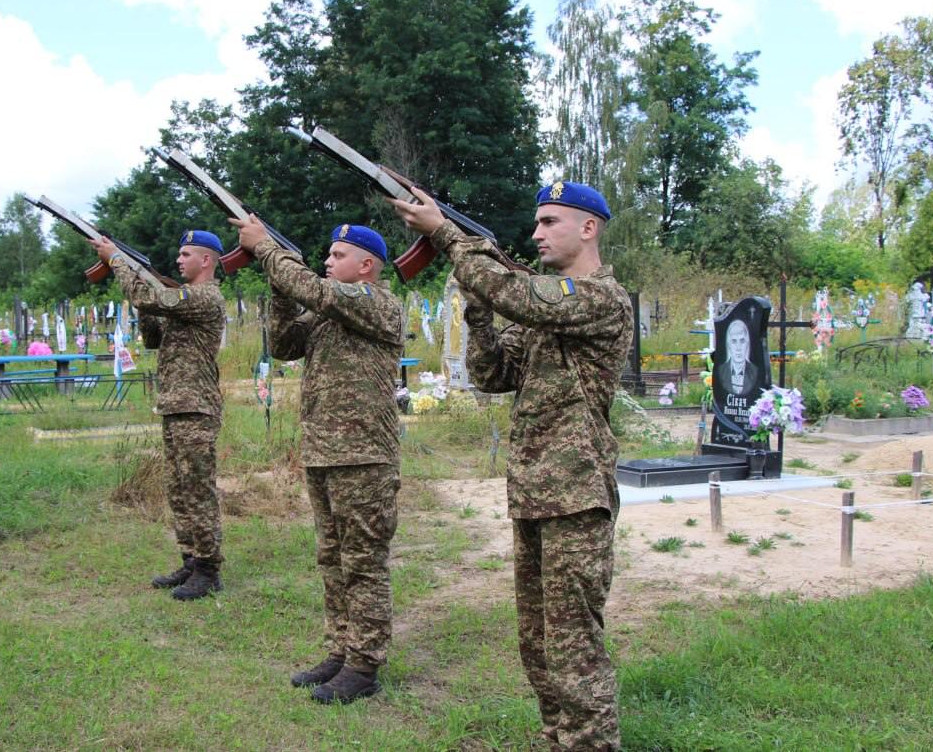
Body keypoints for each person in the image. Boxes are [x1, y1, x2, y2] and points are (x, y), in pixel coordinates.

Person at [391, 181, 632, 750]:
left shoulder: (600, 298)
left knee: (574, 643)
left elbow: (522, 297)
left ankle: (591, 744)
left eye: (550, 222)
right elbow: (496, 375)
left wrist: (449, 236)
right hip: (533, 489)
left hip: (576, 492)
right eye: (536, 223)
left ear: (588, 227)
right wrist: (478, 317)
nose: (537, 233)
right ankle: (557, 738)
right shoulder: (547, 303)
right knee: (539, 640)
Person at [230, 216, 404, 705]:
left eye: (337, 256)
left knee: (363, 562)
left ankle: (364, 664)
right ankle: (341, 649)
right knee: (332, 557)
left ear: (366, 265)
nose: (327, 262)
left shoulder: (376, 303)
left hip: (364, 457)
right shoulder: (329, 311)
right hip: (324, 452)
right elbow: (285, 344)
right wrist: (280, 287)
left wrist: (267, 249)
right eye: (326, 256)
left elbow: (318, 291)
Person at [88, 230, 227, 601]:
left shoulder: (204, 296)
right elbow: (153, 336)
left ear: (207, 260)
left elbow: (152, 296)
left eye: (186, 254)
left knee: (197, 488)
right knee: (179, 488)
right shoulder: (179, 301)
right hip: (175, 404)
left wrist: (118, 260)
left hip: (196, 406)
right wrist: (143, 301)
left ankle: (209, 569)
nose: (179, 260)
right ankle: (191, 559)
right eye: (178, 254)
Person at [724, 319, 758, 396]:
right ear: (729, 345)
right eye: (734, 341)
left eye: (742, 341)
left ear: (747, 344)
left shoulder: (755, 372)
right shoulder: (721, 371)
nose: (738, 348)